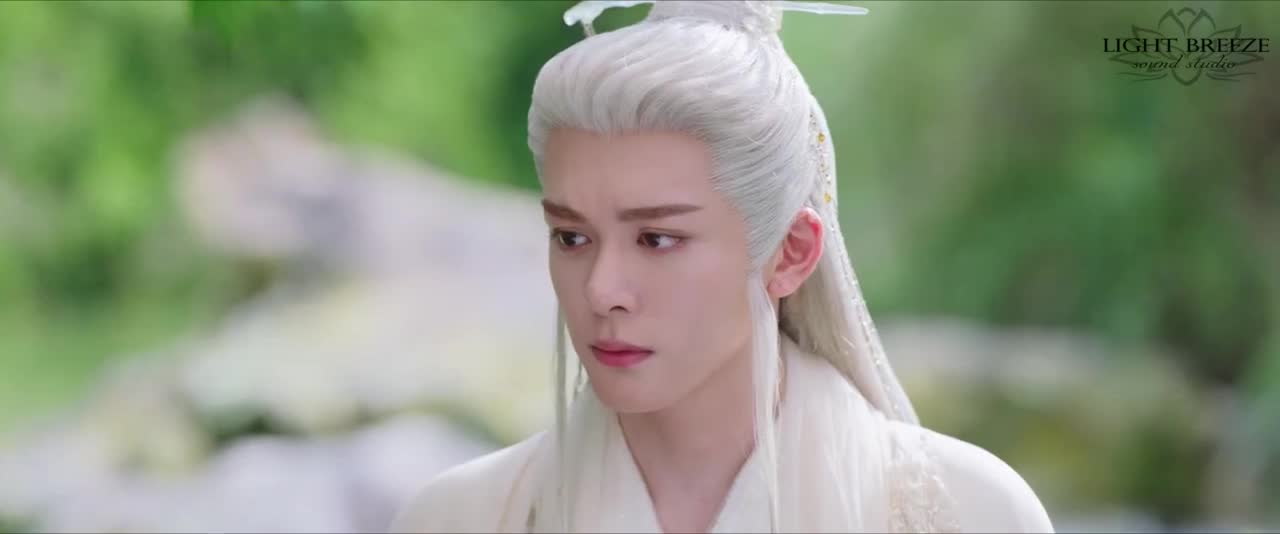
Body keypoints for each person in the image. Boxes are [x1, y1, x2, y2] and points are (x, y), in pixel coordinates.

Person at [390, 1, 1055, 532]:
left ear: (791, 252)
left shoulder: (969, 511)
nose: (602, 290)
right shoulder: (458, 517)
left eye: (657, 239)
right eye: (571, 237)